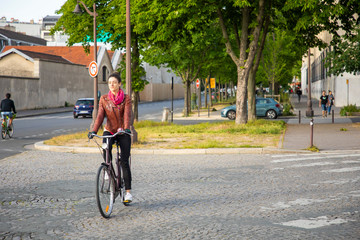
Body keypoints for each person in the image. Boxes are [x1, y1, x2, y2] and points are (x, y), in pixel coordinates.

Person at [88, 72, 133, 203]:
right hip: (110, 129)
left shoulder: (126, 98)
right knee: (105, 148)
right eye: (109, 83)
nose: (111, 85)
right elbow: (100, 116)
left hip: (123, 131)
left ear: (119, 84)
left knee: (124, 161)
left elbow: (127, 115)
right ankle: (108, 169)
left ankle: (128, 193)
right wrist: (93, 130)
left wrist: (125, 128)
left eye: (114, 82)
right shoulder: (104, 99)